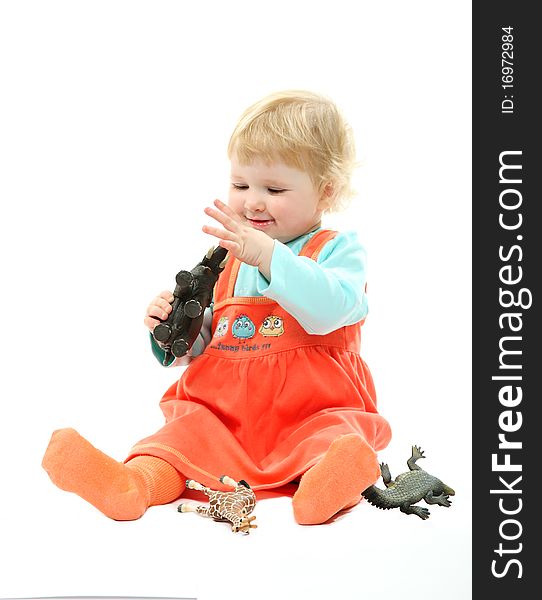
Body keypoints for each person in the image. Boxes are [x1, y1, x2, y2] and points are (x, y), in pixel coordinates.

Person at [42, 90, 392, 525]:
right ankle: (133, 485)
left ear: (326, 191)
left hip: (310, 408)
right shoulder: (226, 258)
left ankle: (328, 484)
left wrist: (268, 256)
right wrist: (176, 331)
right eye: (241, 185)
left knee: (331, 436)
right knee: (185, 436)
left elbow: (326, 309)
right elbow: (215, 340)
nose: (252, 201)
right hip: (227, 412)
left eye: (274, 188)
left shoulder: (336, 249)